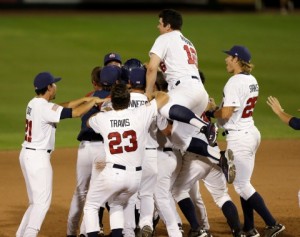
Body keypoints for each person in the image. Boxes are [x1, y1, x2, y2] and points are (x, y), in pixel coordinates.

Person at [17, 72, 105, 237]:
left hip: (26, 155)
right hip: (38, 158)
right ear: (49, 87)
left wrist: (83, 100)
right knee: (42, 204)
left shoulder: (34, 103)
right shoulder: (45, 108)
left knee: (34, 203)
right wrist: (93, 101)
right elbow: (76, 113)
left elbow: (61, 107)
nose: (56, 86)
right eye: (54, 84)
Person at [210, 45, 285, 237]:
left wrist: (211, 111)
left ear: (236, 59)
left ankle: (272, 223)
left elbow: (227, 113)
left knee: (241, 185)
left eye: (228, 57)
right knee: (244, 182)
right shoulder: (252, 80)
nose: (226, 60)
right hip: (251, 132)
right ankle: (249, 227)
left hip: (240, 138)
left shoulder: (234, 82)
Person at [83, 83, 169, 237]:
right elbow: (164, 97)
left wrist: (106, 109)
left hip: (113, 174)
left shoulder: (104, 118)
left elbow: (89, 121)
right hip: (134, 178)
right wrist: (151, 95)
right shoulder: (140, 114)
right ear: (128, 100)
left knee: (91, 205)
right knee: (116, 204)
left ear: (112, 101)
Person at [145, 8, 217, 146]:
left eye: (160, 23)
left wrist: (148, 93)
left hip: (185, 89)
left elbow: (152, 68)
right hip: (200, 92)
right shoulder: (188, 43)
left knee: (162, 107)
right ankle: (219, 157)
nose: (157, 26)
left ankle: (205, 126)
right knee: (180, 139)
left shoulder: (165, 38)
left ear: (168, 26)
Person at [66, 65, 122, 237]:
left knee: (80, 191)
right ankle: (86, 232)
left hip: (84, 149)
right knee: (96, 193)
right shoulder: (115, 99)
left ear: (96, 82)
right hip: (101, 152)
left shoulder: (89, 96)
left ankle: (71, 232)